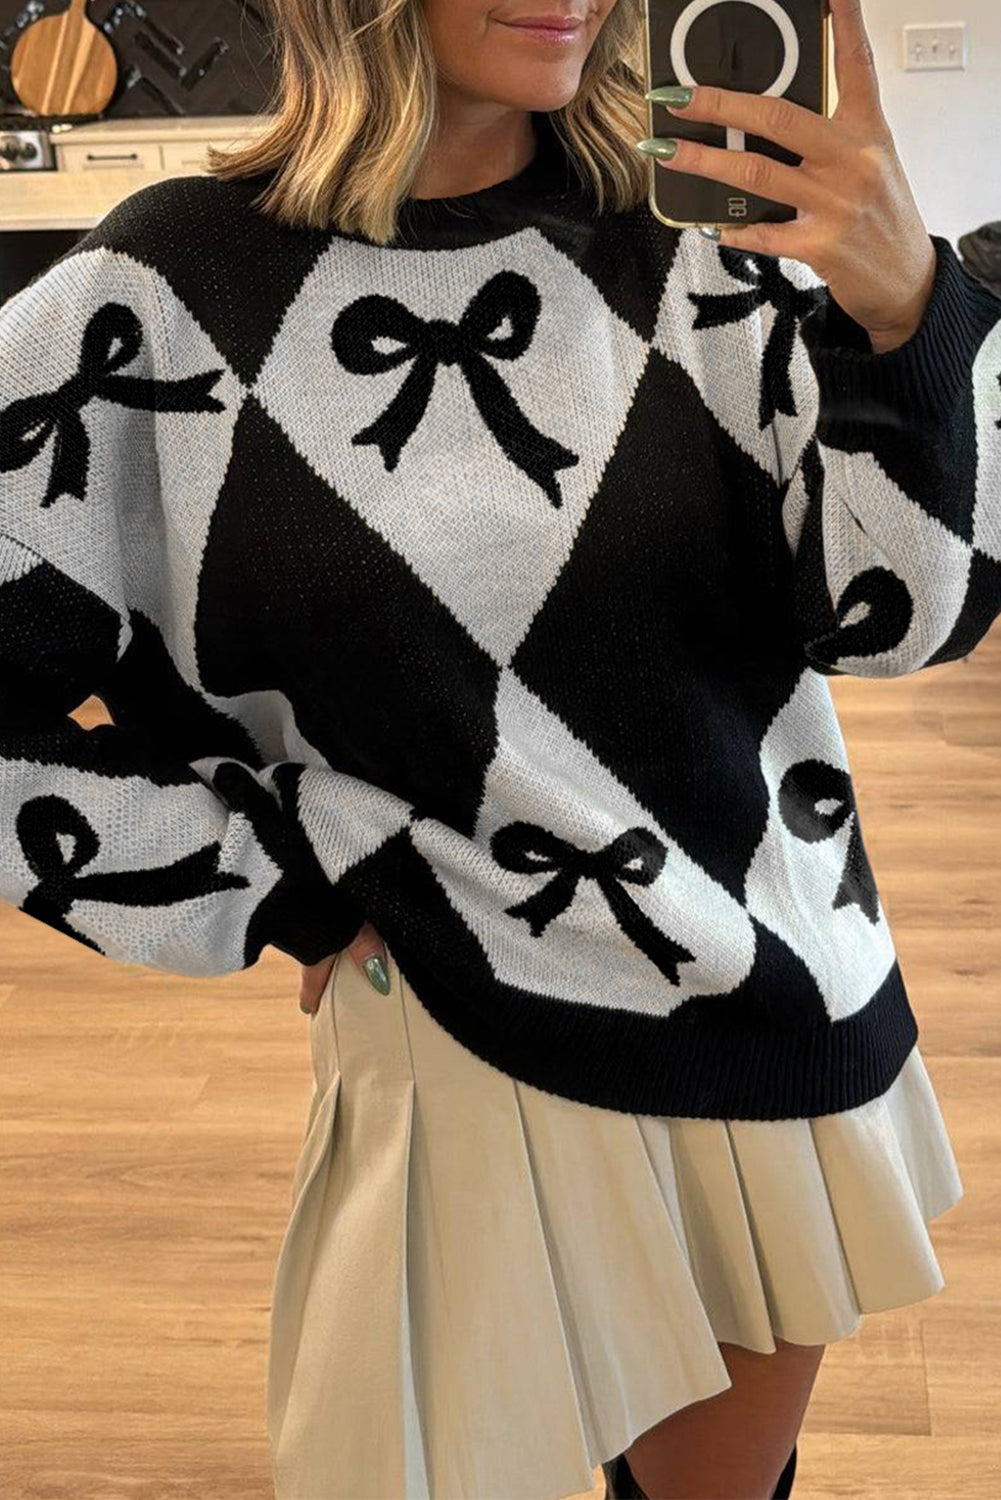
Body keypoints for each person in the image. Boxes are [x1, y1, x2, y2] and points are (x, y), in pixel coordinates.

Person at [2, 0, 995, 1495]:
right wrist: (266, 879)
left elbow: (897, 623)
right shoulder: (165, 285)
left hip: (770, 993)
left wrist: (906, 316)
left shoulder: (707, 236)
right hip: (455, 1021)